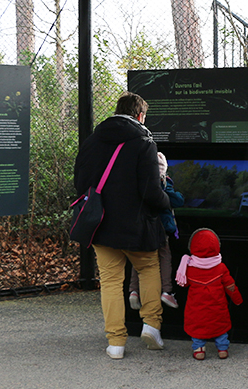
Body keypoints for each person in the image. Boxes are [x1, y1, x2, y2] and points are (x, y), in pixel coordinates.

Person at [73, 92, 171, 359]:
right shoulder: (144, 141)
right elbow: (151, 191)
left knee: (111, 280)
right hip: (137, 225)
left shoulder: (92, 140)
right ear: (140, 115)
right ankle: (152, 325)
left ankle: (115, 342)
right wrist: (167, 199)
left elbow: (79, 183)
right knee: (149, 268)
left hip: (101, 225)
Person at [175, 228, 244, 360]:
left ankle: (199, 349)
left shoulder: (189, 268)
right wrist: (237, 299)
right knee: (220, 327)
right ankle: (222, 349)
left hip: (196, 309)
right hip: (217, 307)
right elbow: (230, 286)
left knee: (197, 328)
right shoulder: (221, 267)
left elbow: (183, 284)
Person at [129, 152, 183, 310]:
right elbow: (178, 201)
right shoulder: (164, 183)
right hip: (160, 229)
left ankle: (133, 290)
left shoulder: (139, 181)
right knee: (165, 257)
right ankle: (167, 291)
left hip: (142, 228)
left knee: (138, 258)